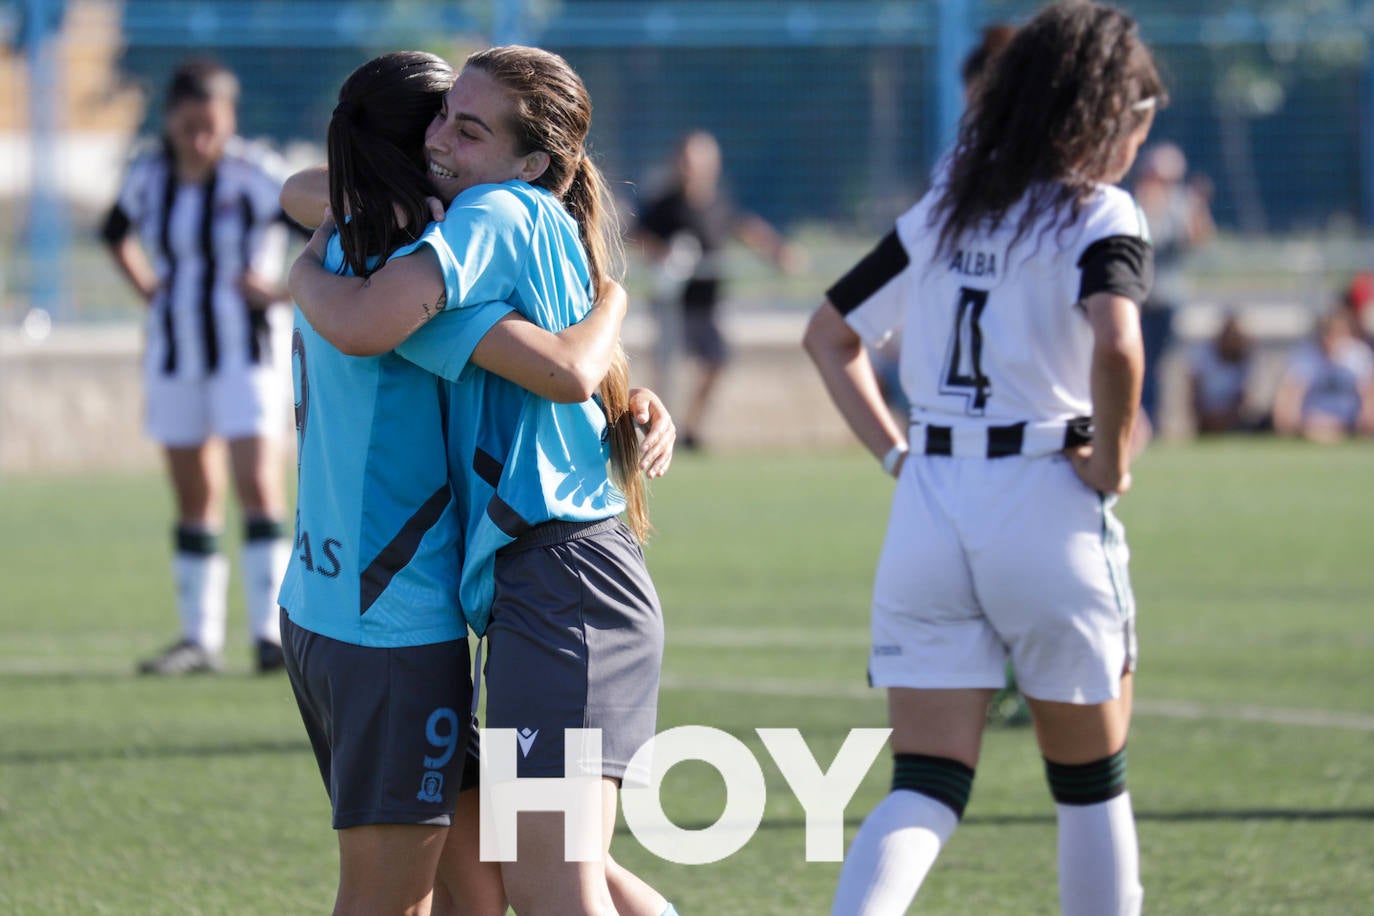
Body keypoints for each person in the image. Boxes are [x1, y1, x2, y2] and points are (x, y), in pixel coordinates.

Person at [277, 51, 675, 916]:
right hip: (457, 598)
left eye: (466, 125)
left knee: (535, 883)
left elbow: (565, 371)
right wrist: (616, 315)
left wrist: (301, 272)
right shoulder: (441, 239)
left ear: (531, 161)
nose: (443, 142)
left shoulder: (452, 234)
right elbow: (571, 368)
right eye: (438, 120)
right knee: (516, 881)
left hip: (498, 589)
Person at [804, 3, 1162, 913]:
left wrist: (894, 456)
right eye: (1139, 111)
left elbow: (829, 334)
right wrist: (1114, 462)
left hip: (929, 499)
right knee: (1090, 782)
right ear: (1102, 111)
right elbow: (1119, 346)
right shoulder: (1098, 211)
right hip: (1044, 491)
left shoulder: (945, 211)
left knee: (925, 781)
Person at [101, 57, 292, 675]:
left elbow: (328, 228)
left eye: (212, 124)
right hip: (175, 353)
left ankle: (271, 635)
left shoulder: (253, 174)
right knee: (193, 491)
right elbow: (112, 232)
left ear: (229, 119)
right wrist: (151, 290)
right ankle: (198, 640)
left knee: (257, 483)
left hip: (247, 354)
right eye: (190, 126)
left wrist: (286, 291)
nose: (201, 138)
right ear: (171, 122)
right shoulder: (149, 176)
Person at [633, 129, 802, 450]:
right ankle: (657, 430)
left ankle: (692, 429)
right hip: (672, 304)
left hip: (707, 303)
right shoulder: (664, 204)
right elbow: (636, 234)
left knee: (716, 360)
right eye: (685, 160)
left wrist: (777, 252)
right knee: (667, 369)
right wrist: (663, 253)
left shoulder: (718, 203)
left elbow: (744, 228)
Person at [1132, 139, 1215, 434]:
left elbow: (1197, 240)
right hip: (1134, 299)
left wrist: (1199, 206)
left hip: (1166, 298)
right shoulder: (1132, 201)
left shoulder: (1180, 203)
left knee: (1158, 366)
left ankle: (1151, 422)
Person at [1271, 309, 1374, 443]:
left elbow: (1368, 394)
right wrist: (1295, 424)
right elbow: (1291, 393)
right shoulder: (1307, 357)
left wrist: (1363, 424)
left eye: (1342, 333)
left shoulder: (1358, 356)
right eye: (1332, 333)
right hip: (1312, 421)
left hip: (1349, 423)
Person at [1187, 309, 1258, 434]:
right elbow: (1194, 390)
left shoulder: (1244, 359)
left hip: (1233, 419)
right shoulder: (1205, 356)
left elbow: (1245, 397)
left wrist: (1229, 417)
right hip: (1206, 417)